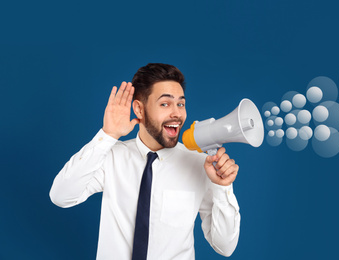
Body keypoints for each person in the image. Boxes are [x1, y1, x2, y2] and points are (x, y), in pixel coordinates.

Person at [50, 63, 241, 260]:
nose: (176, 113)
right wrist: (108, 135)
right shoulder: (112, 157)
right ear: (139, 110)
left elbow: (225, 247)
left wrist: (222, 187)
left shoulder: (201, 165)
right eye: (165, 104)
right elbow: (61, 196)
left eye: (181, 104)